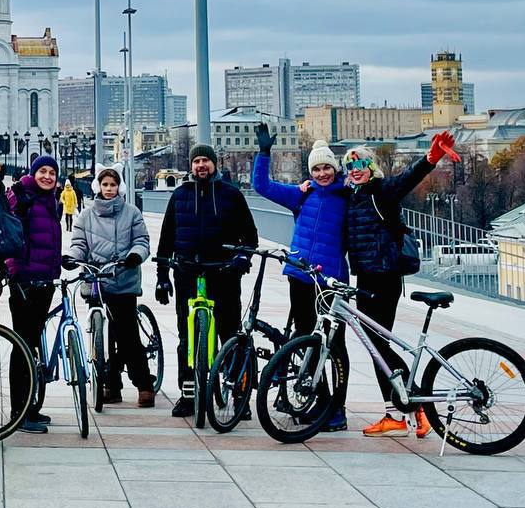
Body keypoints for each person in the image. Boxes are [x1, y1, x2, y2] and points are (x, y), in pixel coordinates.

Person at [345, 132, 456, 438]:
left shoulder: (382, 190)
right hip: (365, 278)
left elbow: (408, 178)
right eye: (350, 165)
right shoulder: (352, 197)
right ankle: (395, 414)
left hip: (385, 277)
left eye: (360, 163)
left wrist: (432, 158)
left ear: (372, 166)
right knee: (375, 348)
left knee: (378, 345)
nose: (355, 169)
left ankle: (416, 406)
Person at [252, 125, 349, 431]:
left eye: (327, 168)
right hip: (301, 275)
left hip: (332, 281)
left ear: (335, 169)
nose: (322, 174)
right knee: (305, 338)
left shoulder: (348, 197)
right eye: (317, 168)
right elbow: (262, 187)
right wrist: (264, 153)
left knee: (335, 345)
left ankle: (337, 408)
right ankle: (317, 399)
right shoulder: (301, 196)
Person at [155, 143, 257, 417]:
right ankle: (188, 396)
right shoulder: (180, 195)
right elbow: (166, 240)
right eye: (196, 161)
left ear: (214, 164)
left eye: (205, 161)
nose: (201, 166)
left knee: (230, 335)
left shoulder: (232, 195)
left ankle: (239, 396)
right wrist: (162, 277)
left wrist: (241, 259)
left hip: (223, 272)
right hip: (187, 272)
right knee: (186, 338)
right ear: (191, 166)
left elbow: (250, 237)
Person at [68, 167, 154, 407]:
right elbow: (79, 243)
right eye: (104, 185)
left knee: (127, 336)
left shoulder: (131, 213)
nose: (109, 189)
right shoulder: (86, 215)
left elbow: (141, 241)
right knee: (105, 337)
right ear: (98, 187)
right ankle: (111, 386)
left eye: (113, 185)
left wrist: (136, 256)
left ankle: (144, 384)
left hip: (123, 278)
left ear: (120, 188)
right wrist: (72, 258)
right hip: (97, 279)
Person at [5, 155, 64, 433]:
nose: (47, 176)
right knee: (23, 344)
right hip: (25, 281)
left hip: (44, 279)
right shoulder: (21, 195)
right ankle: (20, 411)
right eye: (42, 171)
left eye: (52, 172)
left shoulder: (51, 200)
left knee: (33, 343)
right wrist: (14, 270)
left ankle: (31, 406)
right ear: (33, 173)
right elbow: (9, 233)